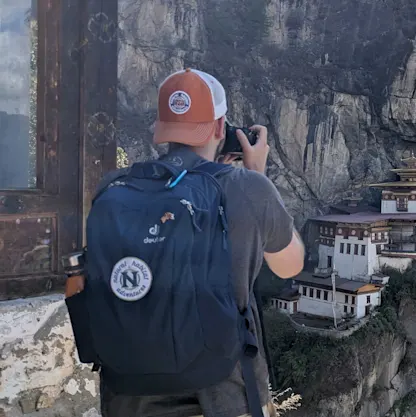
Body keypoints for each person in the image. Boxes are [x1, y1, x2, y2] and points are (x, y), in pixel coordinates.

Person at [96, 68, 305, 417]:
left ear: (160, 131)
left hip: (128, 398)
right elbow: (290, 264)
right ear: (221, 128)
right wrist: (257, 177)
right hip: (223, 398)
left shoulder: (114, 188)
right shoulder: (247, 187)